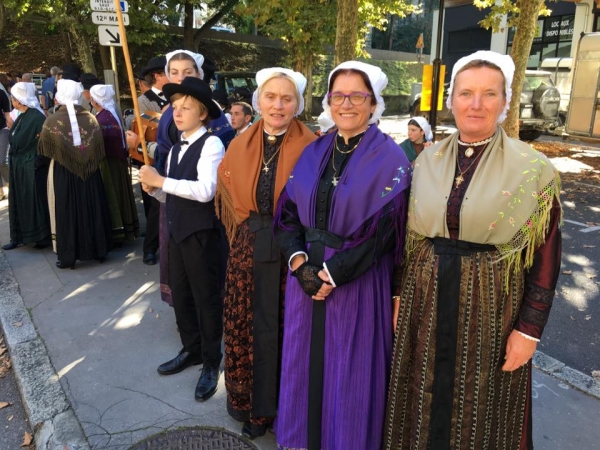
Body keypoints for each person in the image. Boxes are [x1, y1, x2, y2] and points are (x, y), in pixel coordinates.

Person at [383, 51, 562, 450]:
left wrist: (529, 330)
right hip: (424, 302)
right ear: (452, 100)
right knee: (420, 396)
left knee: (483, 407)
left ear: (505, 102)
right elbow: (408, 240)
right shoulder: (426, 160)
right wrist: (398, 295)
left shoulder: (533, 169)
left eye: (488, 94)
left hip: (492, 309)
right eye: (466, 93)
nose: (476, 104)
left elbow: (546, 259)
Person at [273, 61, 412, 450]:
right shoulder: (314, 150)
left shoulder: (391, 159)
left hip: (355, 284)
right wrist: (301, 266)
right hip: (305, 281)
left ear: (373, 103)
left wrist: (331, 274)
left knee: (348, 373)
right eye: (338, 95)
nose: (346, 103)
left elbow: (383, 234)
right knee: (305, 367)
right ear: (328, 101)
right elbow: (286, 215)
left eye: (357, 95)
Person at [215, 68, 316, 439]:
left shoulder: (314, 145)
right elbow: (230, 198)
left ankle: (288, 410)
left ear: (297, 104)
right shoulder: (238, 143)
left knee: (287, 333)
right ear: (258, 101)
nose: (278, 105)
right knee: (249, 329)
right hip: (248, 251)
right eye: (270, 97)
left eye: (286, 98)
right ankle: (253, 408)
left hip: (294, 252)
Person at [138, 76, 225, 402]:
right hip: (176, 232)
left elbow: (205, 191)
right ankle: (191, 349)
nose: (178, 112)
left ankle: (211, 360)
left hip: (201, 236)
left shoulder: (212, 144)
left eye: (186, 107)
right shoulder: (174, 149)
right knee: (182, 294)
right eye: (175, 106)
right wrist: (155, 188)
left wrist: (161, 179)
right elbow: (172, 195)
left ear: (202, 113)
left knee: (205, 298)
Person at [126, 49, 233, 299]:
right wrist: (156, 183)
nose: (180, 78)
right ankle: (184, 312)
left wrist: (160, 177)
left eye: (187, 72)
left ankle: (205, 320)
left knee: (203, 278)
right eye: (173, 72)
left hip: (200, 211)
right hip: (171, 195)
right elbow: (167, 150)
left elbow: (210, 180)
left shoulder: (211, 118)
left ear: (199, 74)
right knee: (178, 267)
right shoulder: (170, 111)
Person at [38, 78, 112, 269]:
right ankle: (99, 249)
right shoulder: (91, 118)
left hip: (63, 172)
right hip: (90, 171)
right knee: (92, 206)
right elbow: (97, 148)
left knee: (66, 211)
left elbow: (44, 151)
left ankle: (68, 255)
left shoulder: (52, 120)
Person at [1, 82, 50, 250]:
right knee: (19, 202)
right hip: (19, 166)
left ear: (20, 100)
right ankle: (19, 236)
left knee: (32, 202)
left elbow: (42, 144)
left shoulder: (36, 117)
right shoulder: (23, 115)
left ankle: (40, 237)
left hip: (30, 167)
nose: (12, 101)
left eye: (13, 98)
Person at [90, 84, 140, 241]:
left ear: (96, 101)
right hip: (116, 162)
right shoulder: (109, 113)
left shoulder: (103, 119)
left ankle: (118, 231)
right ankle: (126, 228)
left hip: (109, 164)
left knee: (114, 196)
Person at [0, 74, 12, 200]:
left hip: (2, 130)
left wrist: (10, 125)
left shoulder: (2, 94)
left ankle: (10, 187)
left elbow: (8, 114)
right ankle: (0, 192)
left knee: (1, 161)